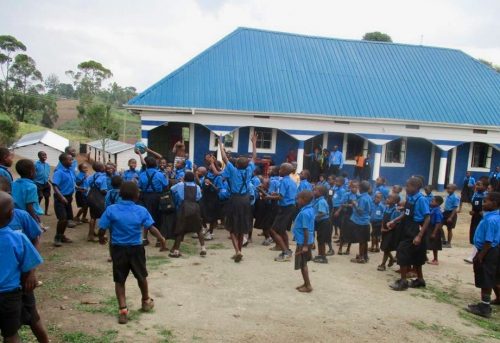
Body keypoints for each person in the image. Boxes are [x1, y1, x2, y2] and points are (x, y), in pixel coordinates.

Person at [98, 181, 167, 324]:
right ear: (137, 195)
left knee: (119, 280)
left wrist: (101, 238)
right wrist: (161, 238)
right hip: (136, 248)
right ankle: (146, 301)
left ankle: (123, 310)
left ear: (120, 194)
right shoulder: (141, 210)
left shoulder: (111, 209)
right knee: (141, 276)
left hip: (118, 249)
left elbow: (102, 228)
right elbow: (151, 227)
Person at [0, 191, 44, 343]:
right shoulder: (18, 238)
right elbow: (28, 265)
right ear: (12, 214)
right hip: (10, 295)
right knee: (11, 334)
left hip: (11, 293)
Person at [214, 133, 257, 262]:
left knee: (232, 227)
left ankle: (237, 251)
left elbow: (224, 157)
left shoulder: (233, 170)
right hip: (245, 200)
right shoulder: (249, 170)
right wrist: (254, 143)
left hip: (234, 199)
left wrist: (220, 142)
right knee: (242, 226)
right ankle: (239, 251)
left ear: (236, 164)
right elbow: (254, 157)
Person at [388, 177, 430, 291]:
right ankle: (420, 280)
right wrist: (394, 221)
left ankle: (403, 281)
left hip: (416, 229)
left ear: (416, 187)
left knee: (402, 252)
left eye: (409, 186)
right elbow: (406, 213)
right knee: (416, 255)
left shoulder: (421, 199)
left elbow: (427, 218)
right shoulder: (410, 198)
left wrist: (419, 236)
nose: (406, 188)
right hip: (407, 226)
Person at [465, 192, 500, 318]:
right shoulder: (495, 217)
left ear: (495, 203)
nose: (483, 204)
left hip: (488, 251)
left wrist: (481, 255)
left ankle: (484, 307)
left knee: (485, 276)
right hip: (494, 250)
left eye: (486, 201)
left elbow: (489, 240)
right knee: (493, 276)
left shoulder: (491, 220)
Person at [170, 171, 205, 257]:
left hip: (184, 207)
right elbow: (199, 197)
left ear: (184, 178)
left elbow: (171, 189)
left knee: (180, 229)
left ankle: (176, 251)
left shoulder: (181, 185)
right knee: (198, 228)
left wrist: (181, 182)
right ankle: (203, 248)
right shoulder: (197, 186)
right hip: (195, 207)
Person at [266, 163, 297, 262]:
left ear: (284, 171)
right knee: (282, 230)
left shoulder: (284, 181)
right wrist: (276, 194)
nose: (279, 171)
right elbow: (285, 194)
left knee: (273, 230)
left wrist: (269, 197)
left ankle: (285, 252)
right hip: (291, 207)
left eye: (280, 169)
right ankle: (287, 249)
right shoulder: (292, 181)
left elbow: (281, 197)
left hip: (285, 208)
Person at [138, 156, 168, 245]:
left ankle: (144, 238)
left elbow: (140, 186)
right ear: (156, 165)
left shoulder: (142, 174)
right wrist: (166, 177)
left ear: (146, 165)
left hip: (146, 197)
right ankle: (159, 240)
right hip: (158, 197)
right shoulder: (160, 174)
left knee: (147, 216)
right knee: (159, 217)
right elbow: (165, 186)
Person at [52, 153, 76, 247]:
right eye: (70, 160)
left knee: (67, 220)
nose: (72, 161)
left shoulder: (69, 171)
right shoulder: (59, 172)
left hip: (68, 198)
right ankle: (57, 238)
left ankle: (61, 236)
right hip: (61, 198)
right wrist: (61, 197)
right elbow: (55, 186)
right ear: (63, 161)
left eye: (72, 159)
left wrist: (77, 187)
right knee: (62, 219)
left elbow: (71, 182)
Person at [293, 190, 315, 293]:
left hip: (303, 242)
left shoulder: (305, 213)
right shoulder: (310, 210)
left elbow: (306, 230)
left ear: (304, 200)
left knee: (303, 264)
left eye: (299, 199)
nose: (297, 200)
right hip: (306, 241)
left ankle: (308, 285)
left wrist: (305, 246)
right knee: (303, 263)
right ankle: (305, 283)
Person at [12, 159, 45, 224]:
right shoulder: (32, 187)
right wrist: (35, 221)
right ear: (31, 172)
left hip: (15, 215)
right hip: (27, 217)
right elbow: (29, 207)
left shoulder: (13, 183)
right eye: (35, 170)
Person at [348, 181, 372, 263]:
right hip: (366, 221)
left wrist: (354, 204)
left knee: (361, 241)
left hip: (360, 222)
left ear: (360, 188)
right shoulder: (368, 197)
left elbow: (360, 211)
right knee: (364, 240)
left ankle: (361, 257)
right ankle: (365, 256)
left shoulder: (362, 199)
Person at [465, 180, 489, 264]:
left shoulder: (487, 195)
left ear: (485, 187)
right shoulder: (475, 194)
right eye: (477, 185)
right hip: (475, 217)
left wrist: (484, 212)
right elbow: (474, 204)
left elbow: (488, 207)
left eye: (479, 185)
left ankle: (473, 256)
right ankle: (474, 254)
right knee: (474, 233)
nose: (477, 186)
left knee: (479, 234)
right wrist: (472, 211)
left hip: (483, 217)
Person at [85, 162, 108, 243]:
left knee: (93, 216)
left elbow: (87, 184)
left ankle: (90, 234)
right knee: (103, 216)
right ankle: (102, 234)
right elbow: (103, 190)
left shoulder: (92, 176)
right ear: (102, 168)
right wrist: (108, 193)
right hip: (98, 197)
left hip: (91, 196)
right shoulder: (103, 177)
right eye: (103, 166)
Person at [377, 194, 401, 271]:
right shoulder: (386, 207)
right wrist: (382, 228)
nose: (387, 199)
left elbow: (395, 223)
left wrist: (388, 229)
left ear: (394, 201)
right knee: (384, 247)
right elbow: (383, 219)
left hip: (391, 231)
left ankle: (383, 264)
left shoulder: (396, 210)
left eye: (389, 198)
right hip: (384, 229)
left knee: (386, 247)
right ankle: (392, 259)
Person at [336, 181, 359, 256]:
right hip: (346, 215)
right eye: (353, 187)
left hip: (354, 216)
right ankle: (340, 248)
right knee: (343, 231)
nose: (354, 189)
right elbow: (342, 204)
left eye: (356, 187)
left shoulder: (359, 196)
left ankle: (348, 249)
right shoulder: (346, 194)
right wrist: (349, 205)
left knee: (351, 233)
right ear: (350, 187)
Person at [312, 185, 331, 263]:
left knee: (322, 240)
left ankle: (323, 257)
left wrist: (313, 217)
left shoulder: (321, 201)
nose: (313, 192)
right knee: (319, 239)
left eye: (315, 190)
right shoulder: (318, 200)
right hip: (321, 222)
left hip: (324, 222)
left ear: (320, 193)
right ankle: (320, 255)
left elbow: (322, 213)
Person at [426, 196, 444, 266]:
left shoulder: (437, 212)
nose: (431, 202)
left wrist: (434, 233)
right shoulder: (433, 209)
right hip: (430, 227)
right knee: (429, 243)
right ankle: (427, 257)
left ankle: (435, 259)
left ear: (438, 203)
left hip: (434, 229)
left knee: (435, 245)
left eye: (433, 201)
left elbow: (438, 223)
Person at [442, 184, 460, 248]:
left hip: (451, 213)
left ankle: (449, 243)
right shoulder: (447, 196)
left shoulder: (455, 197)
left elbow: (455, 209)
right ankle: (443, 240)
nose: (448, 190)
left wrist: (450, 217)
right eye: (447, 188)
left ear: (454, 190)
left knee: (449, 229)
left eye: (450, 188)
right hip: (445, 212)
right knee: (439, 225)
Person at [34, 151, 51, 216]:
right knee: (40, 197)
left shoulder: (47, 165)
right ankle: (36, 210)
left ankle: (46, 211)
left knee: (47, 197)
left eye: (45, 155)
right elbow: (33, 173)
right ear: (39, 156)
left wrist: (51, 183)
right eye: (43, 155)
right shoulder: (35, 164)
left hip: (46, 183)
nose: (44, 157)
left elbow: (47, 174)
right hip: (38, 183)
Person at [330, 176, 345, 243]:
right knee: (337, 224)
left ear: (341, 183)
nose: (335, 182)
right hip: (335, 207)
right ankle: (340, 238)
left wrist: (338, 211)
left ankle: (343, 240)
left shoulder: (342, 190)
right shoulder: (336, 189)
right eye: (335, 181)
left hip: (339, 209)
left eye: (337, 181)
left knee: (341, 225)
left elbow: (343, 202)